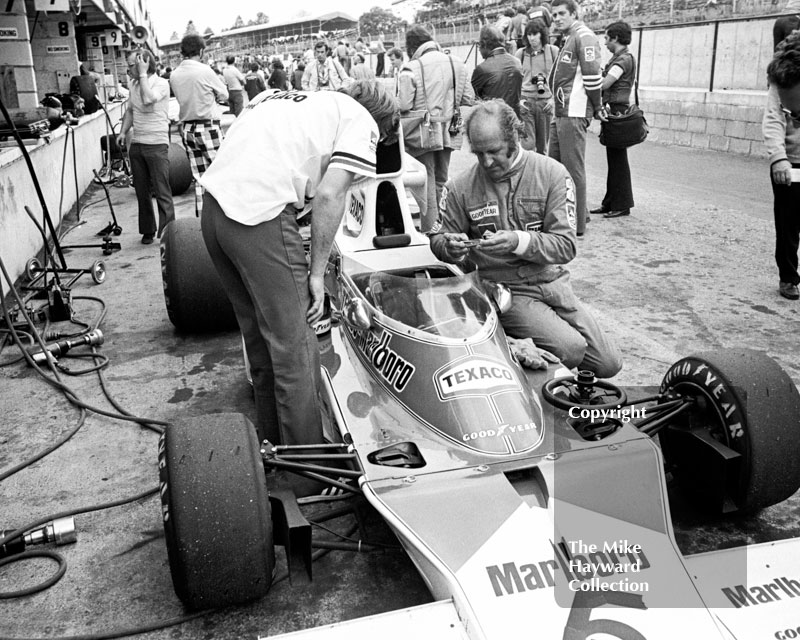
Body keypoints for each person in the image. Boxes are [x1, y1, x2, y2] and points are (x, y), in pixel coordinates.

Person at [198, 81, 399, 445]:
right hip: (258, 216)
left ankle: (274, 448)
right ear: (381, 122)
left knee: (260, 342)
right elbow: (330, 193)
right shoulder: (361, 119)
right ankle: (306, 472)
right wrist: (317, 273)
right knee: (296, 348)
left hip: (212, 213)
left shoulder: (277, 96)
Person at [429, 100, 622, 377]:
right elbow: (437, 238)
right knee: (570, 349)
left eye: (494, 151)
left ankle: (509, 338)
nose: (486, 162)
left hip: (553, 284)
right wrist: (451, 247)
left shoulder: (552, 174)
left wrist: (518, 241)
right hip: (504, 291)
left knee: (608, 364)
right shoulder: (460, 187)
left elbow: (566, 246)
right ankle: (503, 340)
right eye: (478, 153)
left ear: (514, 137)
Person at [397, 25, 474, 231]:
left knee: (425, 180)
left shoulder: (410, 68)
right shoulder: (458, 63)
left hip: (422, 131)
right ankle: (445, 225)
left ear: (411, 46)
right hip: (450, 128)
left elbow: (404, 104)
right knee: (442, 177)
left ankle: (429, 229)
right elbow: (468, 98)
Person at [547, 0, 603, 237]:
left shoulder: (585, 36)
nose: (557, 18)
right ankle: (573, 216)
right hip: (561, 111)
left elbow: (592, 77)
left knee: (573, 169)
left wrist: (597, 106)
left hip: (574, 111)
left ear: (574, 14)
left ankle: (577, 224)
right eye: (554, 15)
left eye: (561, 14)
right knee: (556, 168)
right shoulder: (570, 37)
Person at [116, 50, 174, 245]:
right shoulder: (133, 84)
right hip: (138, 143)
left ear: (144, 64)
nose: (128, 69)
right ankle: (148, 230)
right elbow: (131, 111)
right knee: (142, 191)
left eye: (132, 65)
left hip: (156, 144)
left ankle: (168, 233)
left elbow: (149, 99)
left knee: (162, 191)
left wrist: (142, 75)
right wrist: (123, 132)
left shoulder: (161, 83)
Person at [169, 34, 229, 213]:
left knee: (201, 178)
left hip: (188, 128)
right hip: (207, 127)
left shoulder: (174, 74)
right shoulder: (205, 71)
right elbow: (224, 94)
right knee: (222, 172)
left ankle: (203, 218)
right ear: (201, 51)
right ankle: (226, 216)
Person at [764, 30, 800, 300]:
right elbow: (774, 118)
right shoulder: (781, 76)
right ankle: (788, 277)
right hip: (790, 162)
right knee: (788, 223)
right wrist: (779, 157)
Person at [591, 21, 636, 219]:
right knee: (615, 159)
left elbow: (605, 83)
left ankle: (621, 204)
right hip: (616, 110)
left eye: (607, 38)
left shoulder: (622, 60)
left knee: (617, 160)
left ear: (616, 38)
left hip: (616, 111)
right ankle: (611, 202)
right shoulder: (622, 58)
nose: (605, 42)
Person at [517, 19, 558, 153]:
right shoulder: (521, 53)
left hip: (545, 102)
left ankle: (538, 173)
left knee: (543, 147)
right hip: (526, 102)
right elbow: (515, 79)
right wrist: (520, 99)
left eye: (535, 34)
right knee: (528, 144)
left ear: (542, 34)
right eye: (529, 34)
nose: (531, 38)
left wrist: (553, 100)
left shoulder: (553, 51)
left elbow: (560, 78)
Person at [471, 25, 523, 116]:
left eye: (479, 45)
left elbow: (472, 98)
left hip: (493, 122)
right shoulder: (517, 62)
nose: (478, 50)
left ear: (484, 44)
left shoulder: (482, 68)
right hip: (514, 119)